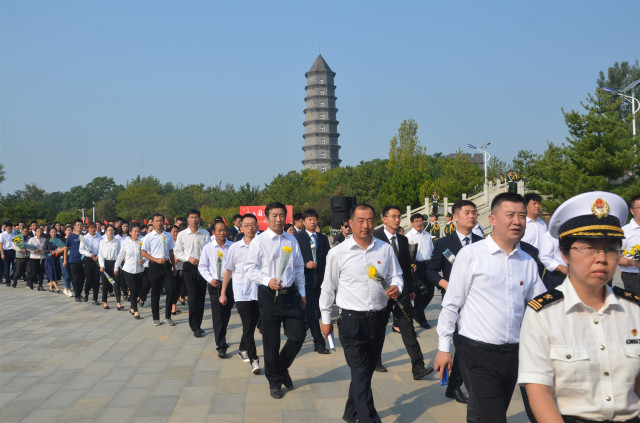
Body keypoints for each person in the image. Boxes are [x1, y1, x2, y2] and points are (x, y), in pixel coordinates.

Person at [518, 191, 640, 422]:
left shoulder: (634, 310)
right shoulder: (543, 314)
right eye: (589, 248)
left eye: (611, 248)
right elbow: (539, 390)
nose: (601, 258)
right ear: (565, 254)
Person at [434, 192, 546, 422]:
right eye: (510, 215)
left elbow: (542, 304)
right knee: (494, 417)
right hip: (477, 352)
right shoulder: (471, 255)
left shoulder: (526, 260)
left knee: (485, 412)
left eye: (522, 216)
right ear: (492, 219)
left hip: (513, 352)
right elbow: (452, 303)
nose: (517, 221)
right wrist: (444, 347)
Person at [319, 203, 403, 423]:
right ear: (350, 223)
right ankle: (369, 418)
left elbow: (397, 275)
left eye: (369, 220)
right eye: (360, 220)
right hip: (351, 321)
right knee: (360, 370)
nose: (365, 225)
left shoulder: (384, 249)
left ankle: (350, 412)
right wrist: (325, 319)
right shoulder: (338, 253)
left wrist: (397, 286)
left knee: (365, 372)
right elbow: (328, 287)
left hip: (378, 320)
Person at [244, 202, 306, 400]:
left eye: (281, 215)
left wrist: (302, 293)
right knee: (271, 341)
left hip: (291, 295)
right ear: (266, 218)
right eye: (274, 215)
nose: (278, 219)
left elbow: (299, 267)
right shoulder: (259, 241)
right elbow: (249, 268)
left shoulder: (291, 240)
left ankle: (280, 367)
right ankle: (275, 382)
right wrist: (267, 281)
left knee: (298, 335)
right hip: (269, 296)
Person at [426, 199, 482, 404]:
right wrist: (444, 283)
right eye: (467, 212)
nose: (472, 216)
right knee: (461, 344)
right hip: (454, 304)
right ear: (455, 217)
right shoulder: (444, 243)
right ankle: (457, 386)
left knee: (469, 345)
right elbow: (431, 270)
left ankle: (455, 385)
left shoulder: (482, 242)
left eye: (474, 212)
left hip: (477, 303)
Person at [373, 206, 434, 380]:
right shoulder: (375, 237)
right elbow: (371, 267)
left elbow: (406, 267)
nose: (397, 219)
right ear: (384, 219)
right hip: (382, 293)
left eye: (399, 216)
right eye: (393, 216)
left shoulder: (402, 239)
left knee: (408, 328)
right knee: (379, 329)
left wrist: (411, 288)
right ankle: (375, 361)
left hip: (401, 292)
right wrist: (382, 287)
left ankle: (418, 367)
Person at [220, 213, 262, 374]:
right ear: (241, 228)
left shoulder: (262, 245)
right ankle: (254, 360)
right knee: (248, 325)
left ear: (257, 227)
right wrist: (223, 293)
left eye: (253, 225)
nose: (250, 228)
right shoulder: (235, 248)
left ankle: (242, 348)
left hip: (258, 291)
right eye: (246, 225)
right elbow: (228, 271)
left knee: (252, 324)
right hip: (241, 292)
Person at [294, 209, 331, 355]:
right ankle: (319, 343)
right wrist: (305, 264)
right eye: (309, 219)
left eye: (315, 219)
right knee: (313, 312)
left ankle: (301, 330)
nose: (313, 222)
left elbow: (329, 258)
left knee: (318, 312)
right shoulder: (297, 238)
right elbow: (293, 260)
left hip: (322, 280)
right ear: (303, 222)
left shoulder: (323, 238)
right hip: (306, 281)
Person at [199, 220, 235, 357]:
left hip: (230, 284)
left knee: (226, 313)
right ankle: (221, 345)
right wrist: (210, 279)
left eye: (224, 230)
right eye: (219, 230)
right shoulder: (208, 248)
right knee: (218, 315)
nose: (222, 232)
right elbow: (202, 266)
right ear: (213, 232)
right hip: (215, 284)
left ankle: (222, 334)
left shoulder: (232, 246)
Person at [174, 209, 210, 337]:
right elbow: (177, 252)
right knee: (193, 297)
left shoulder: (205, 233)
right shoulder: (182, 235)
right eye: (192, 217)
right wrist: (189, 258)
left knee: (201, 297)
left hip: (203, 267)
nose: (194, 220)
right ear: (188, 219)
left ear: (200, 219)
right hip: (189, 267)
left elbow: (209, 250)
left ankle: (198, 324)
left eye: (196, 217)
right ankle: (194, 326)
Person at [141, 214, 176, 327]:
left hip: (167, 266)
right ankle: (155, 317)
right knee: (155, 292)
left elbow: (171, 252)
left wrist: (174, 266)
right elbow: (143, 252)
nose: (159, 223)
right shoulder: (149, 237)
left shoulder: (168, 235)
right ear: (153, 222)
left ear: (164, 222)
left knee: (171, 290)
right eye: (157, 221)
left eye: (161, 221)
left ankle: (168, 316)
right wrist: (156, 260)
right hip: (154, 266)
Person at [405, 213, 434, 329]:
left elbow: (432, 250)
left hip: (429, 266)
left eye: (420, 221)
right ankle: (422, 319)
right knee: (419, 294)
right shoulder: (409, 236)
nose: (419, 223)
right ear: (412, 223)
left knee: (430, 292)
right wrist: (411, 266)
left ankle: (416, 312)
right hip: (416, 267)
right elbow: (407, 254)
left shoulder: (427, 234)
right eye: (416, 221)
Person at [114, 222, 145, 319]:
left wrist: (144, 260)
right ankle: (135, 310)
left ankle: (132, 306)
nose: (137, 233)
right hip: (128, 270)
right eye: (135, 231)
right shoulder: (126, 243)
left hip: (140, 270)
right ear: (130, 232)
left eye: (138, 231)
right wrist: (116, 267)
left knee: (139, 290)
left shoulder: (142, 242)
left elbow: (147, 254)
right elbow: (120, 256)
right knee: (133, 290)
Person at [620, 194, 640, 296]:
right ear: (632, 211)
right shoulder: (624, 232)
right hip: (633, 278)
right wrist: (635, 263)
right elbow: (615, 258)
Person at [98, 225, 121, 310]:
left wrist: (117, 266)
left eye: (112, 230)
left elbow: (120, 254)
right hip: (106, 264)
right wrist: (102, 265)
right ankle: (105, 302)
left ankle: (118, 303)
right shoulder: (102, 242)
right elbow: (100, 255)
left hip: (115, 263)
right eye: (109, 230)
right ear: (106, 232)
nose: (110, 232)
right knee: (105, 284)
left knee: (116, 283)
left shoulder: (117, 241)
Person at [79, 223, 102, 304]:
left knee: (96, 279)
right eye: (91, 228)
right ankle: (86, 293)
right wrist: (89, 255)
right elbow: (81, 250)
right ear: (88, 229)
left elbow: (102, 249)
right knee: (88, 279)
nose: (93, 229)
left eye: (94, 228)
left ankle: (95, 298)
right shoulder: (84, 238)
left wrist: (98, 256)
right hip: (88, 259)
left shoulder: (99, 237)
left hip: (97, 259)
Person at [64, 219, 85, 302]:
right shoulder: (71, 237)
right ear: (74, 227)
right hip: (73, 260)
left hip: (83, 260)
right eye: (78, 225)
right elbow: (66, 249)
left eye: (81, 225)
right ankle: (77, 295)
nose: (80, 226)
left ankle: (79, 292)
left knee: (82, 278)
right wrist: (65, 260)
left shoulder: (84, 236)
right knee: (75, 278)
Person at [43, 228, 64, 293]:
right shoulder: (47, 240)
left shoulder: (58, 240)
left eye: (55, 232)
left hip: (56, 258)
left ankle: (50, 288)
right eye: (52, 232)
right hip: (49, 259)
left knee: (54, 273)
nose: (53, 233)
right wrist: (50, 251)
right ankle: (57, 288)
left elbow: (61, 247)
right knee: (51, 273)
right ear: (49, 233)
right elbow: (44, 250)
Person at [169, 225, 183, 316]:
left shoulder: (181, 242)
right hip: (171, 268)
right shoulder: (168, 242)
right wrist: (172, 261)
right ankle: (173, 306)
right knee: (172, 288)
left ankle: (174, 304)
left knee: (178, 288)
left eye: (177, 231)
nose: (175, 233)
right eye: (174, 232)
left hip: (180, 267)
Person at [1, 221, 16, 286]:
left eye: (11, 228)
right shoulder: (2, 234)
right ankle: (8, 281)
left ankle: (13, 277)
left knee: (15, 266)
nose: (10, 229)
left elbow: (17, 242)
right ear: (6, 228)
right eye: (9, 228)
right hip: (6, 251)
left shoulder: (14, 233)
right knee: (6, 267)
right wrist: (2, 253)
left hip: (13, 251)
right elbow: (1, 244)